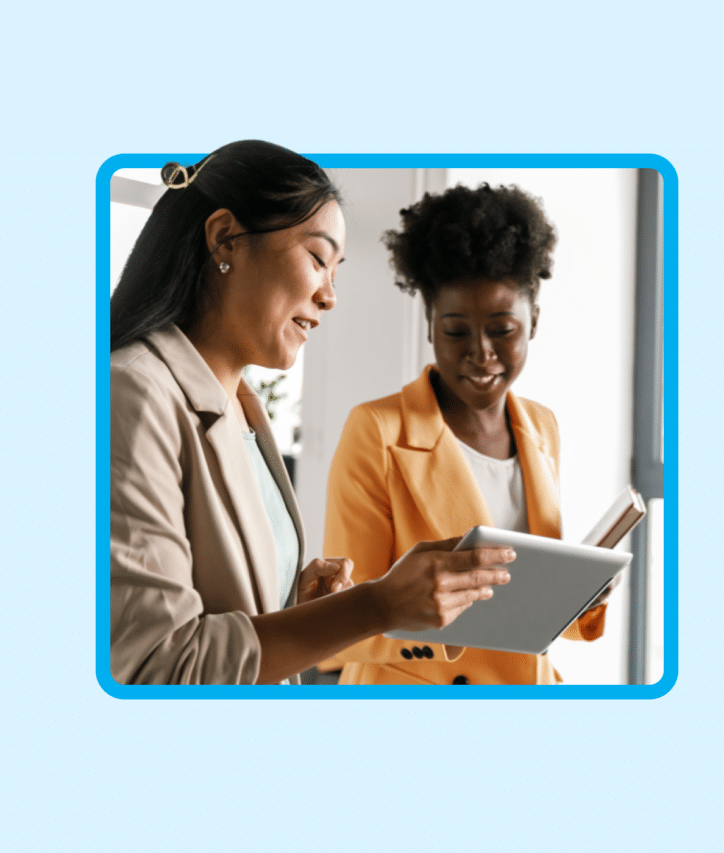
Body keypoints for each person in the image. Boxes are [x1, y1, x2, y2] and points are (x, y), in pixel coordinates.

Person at [110, 142, 515, 685]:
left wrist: (292, 600)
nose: (330, 296)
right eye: (319, 258)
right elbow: (152, 667)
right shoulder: (131, 395)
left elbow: (224, 610)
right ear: (225, 238)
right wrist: (374, 607)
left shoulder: (241, 410)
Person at [324, 183, 614, 685]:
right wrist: (448, 625)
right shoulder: (376, 431)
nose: (481, 353)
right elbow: (343, 620)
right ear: (431, 325)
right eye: (456, 331)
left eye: (503, 330)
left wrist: (578, 596)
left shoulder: (542, 428)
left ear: (534, 321)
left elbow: (523, 603)